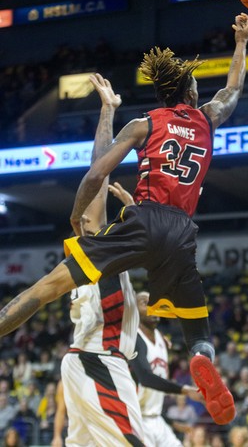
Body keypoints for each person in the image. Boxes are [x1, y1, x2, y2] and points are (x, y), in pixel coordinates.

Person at [0, 13, 248, 426]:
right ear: (190, 90)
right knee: (198, 334)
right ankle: (202, 361)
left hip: (143, 219)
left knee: (47, 288)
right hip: (182, 231)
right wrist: (241, 42)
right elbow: (233, 88)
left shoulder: (145, 123)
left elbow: (97, 172)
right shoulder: (208, 118)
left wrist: (77, 212)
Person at [52, 74, 145, 446]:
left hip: (91, 360)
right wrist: (107, 111)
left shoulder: (92, 251)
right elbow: (99, 172)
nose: (95, 213)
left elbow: (99, 176)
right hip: (98, 360)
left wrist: (108, 110)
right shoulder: (96, 249)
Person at [129, 290, 203, 447]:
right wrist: (185, 390)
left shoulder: (162, 340)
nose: (152, 306)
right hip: (135, 420)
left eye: (155, 303)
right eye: (144, 303)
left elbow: (154, 395)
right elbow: (146, 378)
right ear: (134, 311)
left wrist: (172, 423)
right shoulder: (133, 338)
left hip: (156, 418)